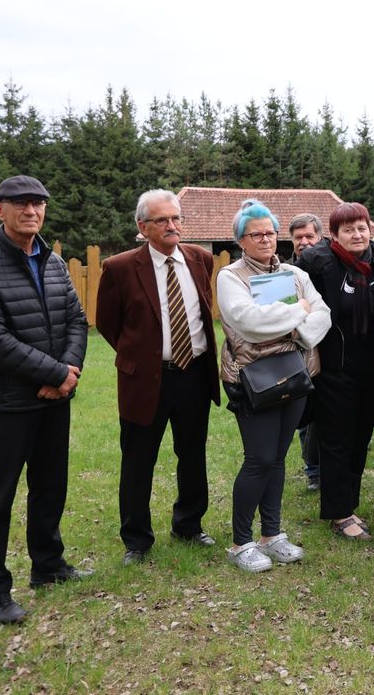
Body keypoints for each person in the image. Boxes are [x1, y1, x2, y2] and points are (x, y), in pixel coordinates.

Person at [0, 175, 90, 625]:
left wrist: (67, 375)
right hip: (6, 404)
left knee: (51, 487)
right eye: (20, 204)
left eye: (38, 204)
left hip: (54, 401)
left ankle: (47, 566)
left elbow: (76, 319)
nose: (31, 211)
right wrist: (54, 373)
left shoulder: (52, 262)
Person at [96, 190, 220, 566]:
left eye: (176, 219)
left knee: (192, 454)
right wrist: (142, 356)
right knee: (138, 460)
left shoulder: (200, 259)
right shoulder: (119, 267)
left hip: (194, 374)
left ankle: (189, 525)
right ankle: (136, 539)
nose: (172, 226)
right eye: (162, 220)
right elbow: (107, 323)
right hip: (146, 379)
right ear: (142, 227)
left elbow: (202, 311)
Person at [217, 200, 331, 572]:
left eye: (270, 232)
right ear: (241, 240)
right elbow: (247, 322)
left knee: (279, 458)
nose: (265, 239)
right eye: (256, 234)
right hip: (254, 380)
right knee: (259, 459)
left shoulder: (294, 273)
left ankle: (271, 534)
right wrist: (299, 313)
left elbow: (323, 315)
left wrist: (291, 324)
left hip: (295, 375)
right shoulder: (231, 277)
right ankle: (240, 543)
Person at [297, 203, 374, 540]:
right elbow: (292, 300)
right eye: (348, 229)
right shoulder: (318, 262)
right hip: (334, 368)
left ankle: (349, 504)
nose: (357, 234)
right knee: (337, 440)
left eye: (362, 227)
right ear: (334, 234)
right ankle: (339, 513)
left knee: (361, 437)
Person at [288, 212, 324, 491]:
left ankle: (320, 467)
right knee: (303, 412)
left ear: (320, 237)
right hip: (295, 350)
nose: (304, 242)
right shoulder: (283, 270)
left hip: (326, 348)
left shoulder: (325, 265)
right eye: (298, 237)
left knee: (322, 413)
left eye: (309, 236)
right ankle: (313, 471)